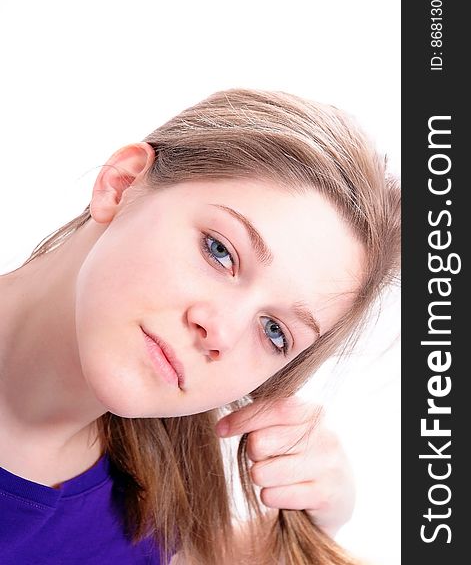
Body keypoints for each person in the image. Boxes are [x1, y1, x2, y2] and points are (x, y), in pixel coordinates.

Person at [0, 88, 400, 565]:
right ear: (122, 184)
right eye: (220, 251)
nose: (221, 332)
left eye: (274, 331)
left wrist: (315, 519)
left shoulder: (149, 514)